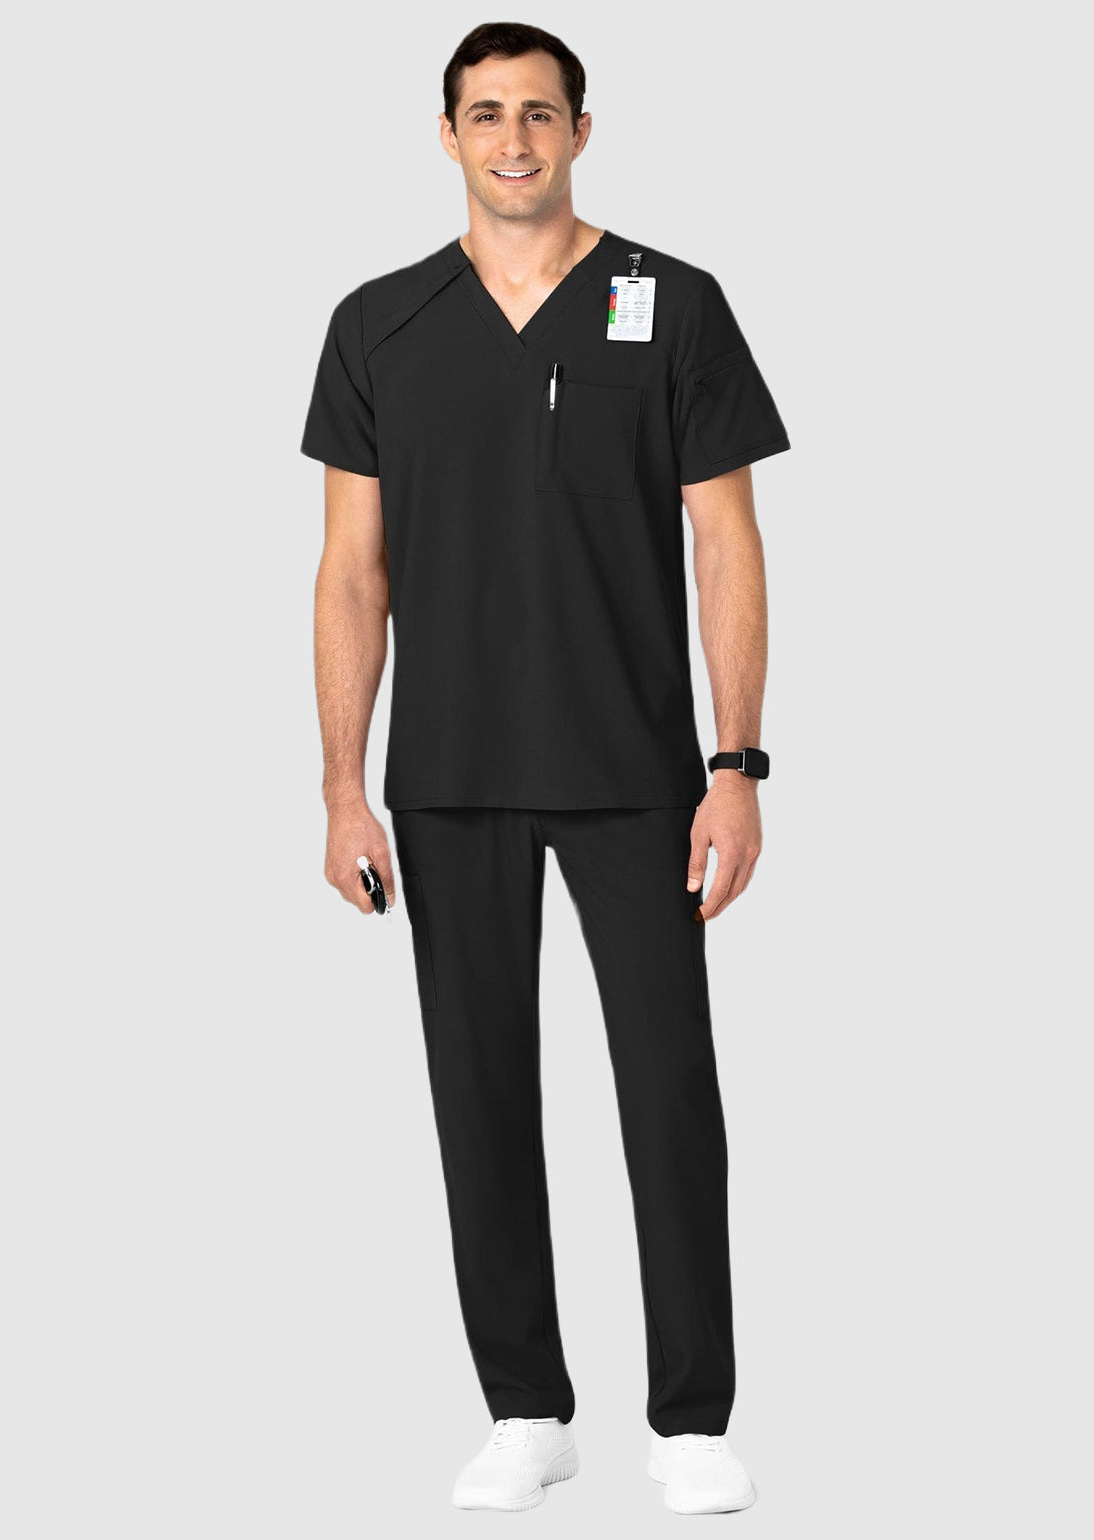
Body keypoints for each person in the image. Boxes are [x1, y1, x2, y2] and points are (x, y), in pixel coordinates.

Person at [300, 21, 790, 1517]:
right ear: (445, 134)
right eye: (485, 113)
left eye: (538, 112)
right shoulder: (380, 323)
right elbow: (351, 570)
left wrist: (736, 764)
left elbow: (726, 543)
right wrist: (341, 784)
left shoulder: (672, 302)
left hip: (636, 768)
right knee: (479, 1095)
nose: (513, 138)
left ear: (582, 128)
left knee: (668, 1090)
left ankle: (691, 1421)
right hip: (447, 775)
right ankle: (527, 1410)